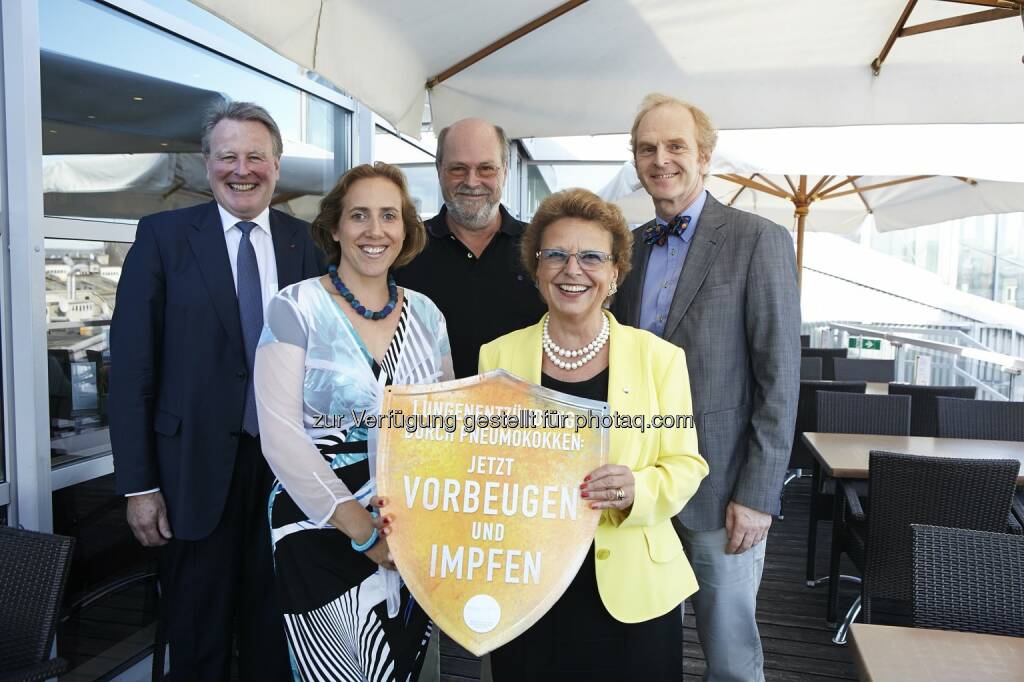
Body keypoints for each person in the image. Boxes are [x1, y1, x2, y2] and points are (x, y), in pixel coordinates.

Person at [109, 101, 322, 680]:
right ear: (208, 165)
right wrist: (139, 485)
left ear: (277, 167)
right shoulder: (163, 237)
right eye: (228, 156)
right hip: (189, 477)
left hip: (289, 476)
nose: (242, 169)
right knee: (198, 644)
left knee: (276, 640)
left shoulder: (310, 244)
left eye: (256, 156)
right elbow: (131, 369)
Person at [477, 188, 709, 680]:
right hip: (530, 589)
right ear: (537, 268)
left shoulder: (659, 359)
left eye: (590, 257)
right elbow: (483, 469)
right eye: (556, 254)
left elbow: (687, 466)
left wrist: (637, 490)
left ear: (615, 273)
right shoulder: (496, 358)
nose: (572, 269)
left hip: (633, 593)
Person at [612, 93, 801, 682]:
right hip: (641, 486)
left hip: (723, 494)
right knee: (644, 644)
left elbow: (780, 377)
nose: (660, 159)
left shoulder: (758, 239)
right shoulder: (629, 246)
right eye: (647, 148)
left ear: (706, 156)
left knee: (729, 655)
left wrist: (758, 494)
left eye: (675, 146)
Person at [253, 162, 454, 681]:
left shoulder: (430, 317)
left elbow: (444, 431)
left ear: (406, 229)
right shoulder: (293, 309)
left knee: (405, 666)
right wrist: (365, 533)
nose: (374, 230)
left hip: (407, 526)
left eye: (389, 216)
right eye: (359, 215)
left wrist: (415, 530)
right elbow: (280, 440)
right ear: (335, 227)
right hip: (319, 525)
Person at [394, 118, 545, 378]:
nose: (472, 181)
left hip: (524, 415)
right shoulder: (404, 249)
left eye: (486, 168)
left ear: (505, 171)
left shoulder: (543, 249)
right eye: (458, 169)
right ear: (439, 169)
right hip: (432, 415)